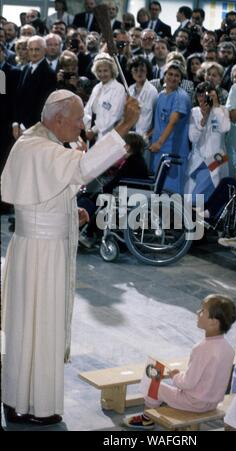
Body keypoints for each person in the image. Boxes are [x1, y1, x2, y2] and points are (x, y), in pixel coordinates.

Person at [1, 90, 140, 425]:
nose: (82, 126)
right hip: (42, 253)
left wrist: (67, 211)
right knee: (41, 325)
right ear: (58, 119)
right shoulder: (38, 146)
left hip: (37, 245)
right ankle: (37, 405)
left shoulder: (40, 141)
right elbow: (83, 168)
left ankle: (19, 398)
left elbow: (48, 191)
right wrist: (126, 125)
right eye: (78, 120)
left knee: (28, 326)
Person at [123, 294, 236, 430]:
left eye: (203, 311)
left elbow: (187, 383)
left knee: (153, 383)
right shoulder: (229, 349)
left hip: (194, 403)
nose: (198, 312)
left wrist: (175, 376)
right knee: (168, 387)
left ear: (214, 322)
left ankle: (147, 419)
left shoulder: (202, 348)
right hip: (213, 402)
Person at [149, 60, 191, 194]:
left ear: (180, 79)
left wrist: (159, 144)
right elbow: (158, 123)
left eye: (176, 76)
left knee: (172, 195)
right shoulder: (161, 95)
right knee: (159, 191)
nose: (173, 78)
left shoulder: (181, 97)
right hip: (159, 152)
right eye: (170, 74)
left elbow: (172, 122)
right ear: (164, 76)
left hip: (174, 153)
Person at [185, 81, 230, 205]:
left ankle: (199, 223)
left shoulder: (222, 110)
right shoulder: (194, 112)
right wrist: (203, 119)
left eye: (207, 94)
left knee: (201, 198)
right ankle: (198, 223)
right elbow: (192, 138)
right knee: (195, 199)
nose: (203, 98)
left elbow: (225, 128)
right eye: (200, 95)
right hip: (198, 159)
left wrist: (215, 107)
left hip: (217, 157)